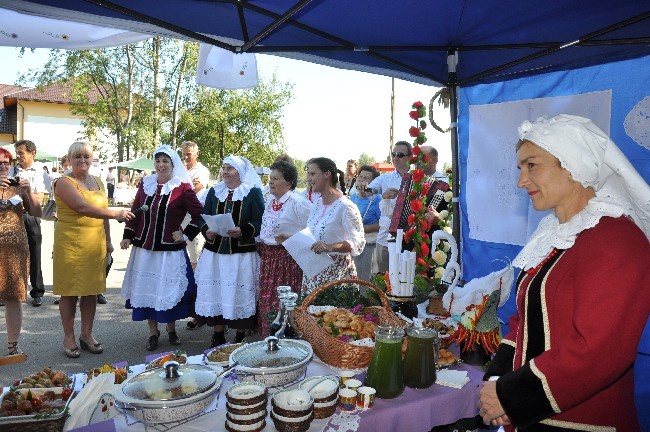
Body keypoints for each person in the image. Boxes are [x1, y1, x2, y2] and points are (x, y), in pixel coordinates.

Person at [478, 115, 650, 431]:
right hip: (530, 417)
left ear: (573, 165)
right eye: (520, 168)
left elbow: (600, 351)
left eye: (532, 165)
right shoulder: (554, 237)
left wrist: (510, 397)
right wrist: (498, 384)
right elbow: (524, 323)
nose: (521, 181)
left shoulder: (617, 239)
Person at [53, 142, 134, 358]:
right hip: (70, 243)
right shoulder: (63, 182)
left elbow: (101, 212)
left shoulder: (97, 181)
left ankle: (86, 335)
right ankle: (68, 337)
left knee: (90, 291)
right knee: (69, 293)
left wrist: (107, 240)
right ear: (69, 159)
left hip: (94, 243)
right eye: (77, 156)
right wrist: (116, 214)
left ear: (92, 159)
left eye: (86, 156)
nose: (82, 160)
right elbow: (82, 207)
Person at [120, 145, 204, 351]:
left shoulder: (182, 187)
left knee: (168, 289)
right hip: (145, 250)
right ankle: (152, 332)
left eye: (165, 161)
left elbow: (201, 215)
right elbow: (135, 212)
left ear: (173, 164)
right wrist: (128, 236)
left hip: (169, 251)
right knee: (149, 290)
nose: (160, 165)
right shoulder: (146, 184)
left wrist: (185, 234)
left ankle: (171, 329)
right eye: (158, 161)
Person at [194, 155, 264, 347]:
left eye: (230, 168)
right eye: (223, 168)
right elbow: (202, 217)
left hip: (241, 254)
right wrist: (205, 230)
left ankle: (240, 334)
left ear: (240, 173)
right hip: (215, 253)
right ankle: (218, 334)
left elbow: (260, 221)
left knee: (238, 293)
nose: (225, 172)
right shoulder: (213, 192)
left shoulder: (252, 193)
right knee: (216, 291)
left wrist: (244, 230)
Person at [257, 160, 311, 336]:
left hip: (287, 260)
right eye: (270, 178)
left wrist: (292, 238)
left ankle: (286, 340)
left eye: (276, 179)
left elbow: (313, 232)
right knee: (267, 300)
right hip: (269, 258)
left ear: (289, 183)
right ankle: (268, 338)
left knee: (282, 303)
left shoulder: (298, 202)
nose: (271, 182)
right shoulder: (271, 199)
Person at [300, 157, 365, 295]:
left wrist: (330, 246)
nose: (309, 179)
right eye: (308, 174)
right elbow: (314, 233)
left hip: (337, 275)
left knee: (334, 316)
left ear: (327, 174)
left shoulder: (346, 207)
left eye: (312, 174)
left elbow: (358, 242)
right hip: (313, 272)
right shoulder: (317, 204)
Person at [0, 147, 41, 362]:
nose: (4, 166)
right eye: (0, 163)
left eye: (6, 162)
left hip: (15, 249)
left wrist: (29, 192)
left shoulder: (17, 186)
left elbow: (37, 212)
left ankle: (13, 346)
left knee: (13, 298)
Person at [10, 140, 49, 307]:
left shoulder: (41, 173)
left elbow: (42, 198)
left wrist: (25, 193)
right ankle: (10, 291)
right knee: (10, 254)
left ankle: (37, 291)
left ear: (32, 153)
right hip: (11, 215)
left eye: (21, 153)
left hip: (30, 215)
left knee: (34, 254)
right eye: (17, 153)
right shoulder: (11, 170)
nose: (18, 156)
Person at [367, 140, 412, 273]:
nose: (395, 158)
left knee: (407, 279)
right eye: (393, 154)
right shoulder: (385, 178)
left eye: (400, 155)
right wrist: (382, 194)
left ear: (409, 157)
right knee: (383, 278)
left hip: (410, 237)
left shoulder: (419, 178)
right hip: (387, 237)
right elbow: (368, 190)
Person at [181, 141, 211, 330]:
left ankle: (198, 313)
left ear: (197, 154)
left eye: (189, 154)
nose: (185, 157)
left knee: (196, 266)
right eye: (183, 154)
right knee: (182, 266)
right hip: (179, 221)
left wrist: (181, 177)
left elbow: (194, 189)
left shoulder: (201, 171)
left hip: (194, 222)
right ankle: (187, 308)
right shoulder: (180, 170)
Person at [351, 165, 381, 282]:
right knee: (355, 277)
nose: (361, 180)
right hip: (354, 243)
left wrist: (366, 228)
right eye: (360, 177)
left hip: (369, 245)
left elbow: (383, 223)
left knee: (366, 278)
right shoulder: (353, 197)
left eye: (366, 178)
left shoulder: (377, 199)